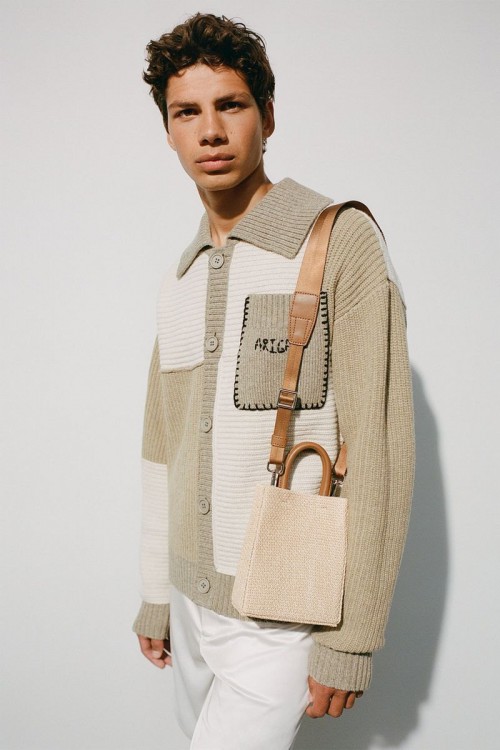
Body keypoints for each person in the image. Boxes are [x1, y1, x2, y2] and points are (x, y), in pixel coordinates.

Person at [132, 12, 415, 750]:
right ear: (168, 132)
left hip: (285, 604)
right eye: (186, 113)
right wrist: (157, 594)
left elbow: (380, 447)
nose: (210, 131)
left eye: (230, 105)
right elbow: (161, 448)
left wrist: (353, 637)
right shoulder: (181, 275)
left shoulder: (338, 240)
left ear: (268, 114)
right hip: (190, 604)